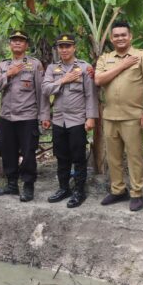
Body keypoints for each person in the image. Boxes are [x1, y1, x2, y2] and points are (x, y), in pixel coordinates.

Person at [95, 21, 143, 211]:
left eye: (123, 35)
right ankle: (118, 190)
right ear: (112, 39)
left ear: (130, 36)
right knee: (113, 157)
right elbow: (99, 80)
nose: (120, 38)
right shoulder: (105, 58)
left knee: (134, 156)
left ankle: (137, 193)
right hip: (110, 116)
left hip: (133, 116)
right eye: (116, 35)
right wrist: (122, 65)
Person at [0, 30, 49, 202]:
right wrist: (9, 74)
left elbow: (42, 93)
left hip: (27, 117)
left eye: (21, 41)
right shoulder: (2, 66)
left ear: (26, 45)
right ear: (10, 44)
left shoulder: (35, 65)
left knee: (29, 154)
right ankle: (12, 184)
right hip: (7, 117)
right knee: (8, 152)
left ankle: (28, 186)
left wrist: (44, 116)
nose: (17, 43)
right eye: (14, 41)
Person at [42, 34, 98, 208]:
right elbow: (45, 89)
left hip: (77, 120)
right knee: (61, 156)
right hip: (59, 120)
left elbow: (90, 95)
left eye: (68, 46)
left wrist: (91, 118)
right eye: (61, 46)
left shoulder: (84, 68)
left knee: (78, 157)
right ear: (57, 49)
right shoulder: (52, 69)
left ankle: (79, 191)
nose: (64, 50)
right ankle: (63, 188)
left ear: (74, 48)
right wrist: (64, 80)